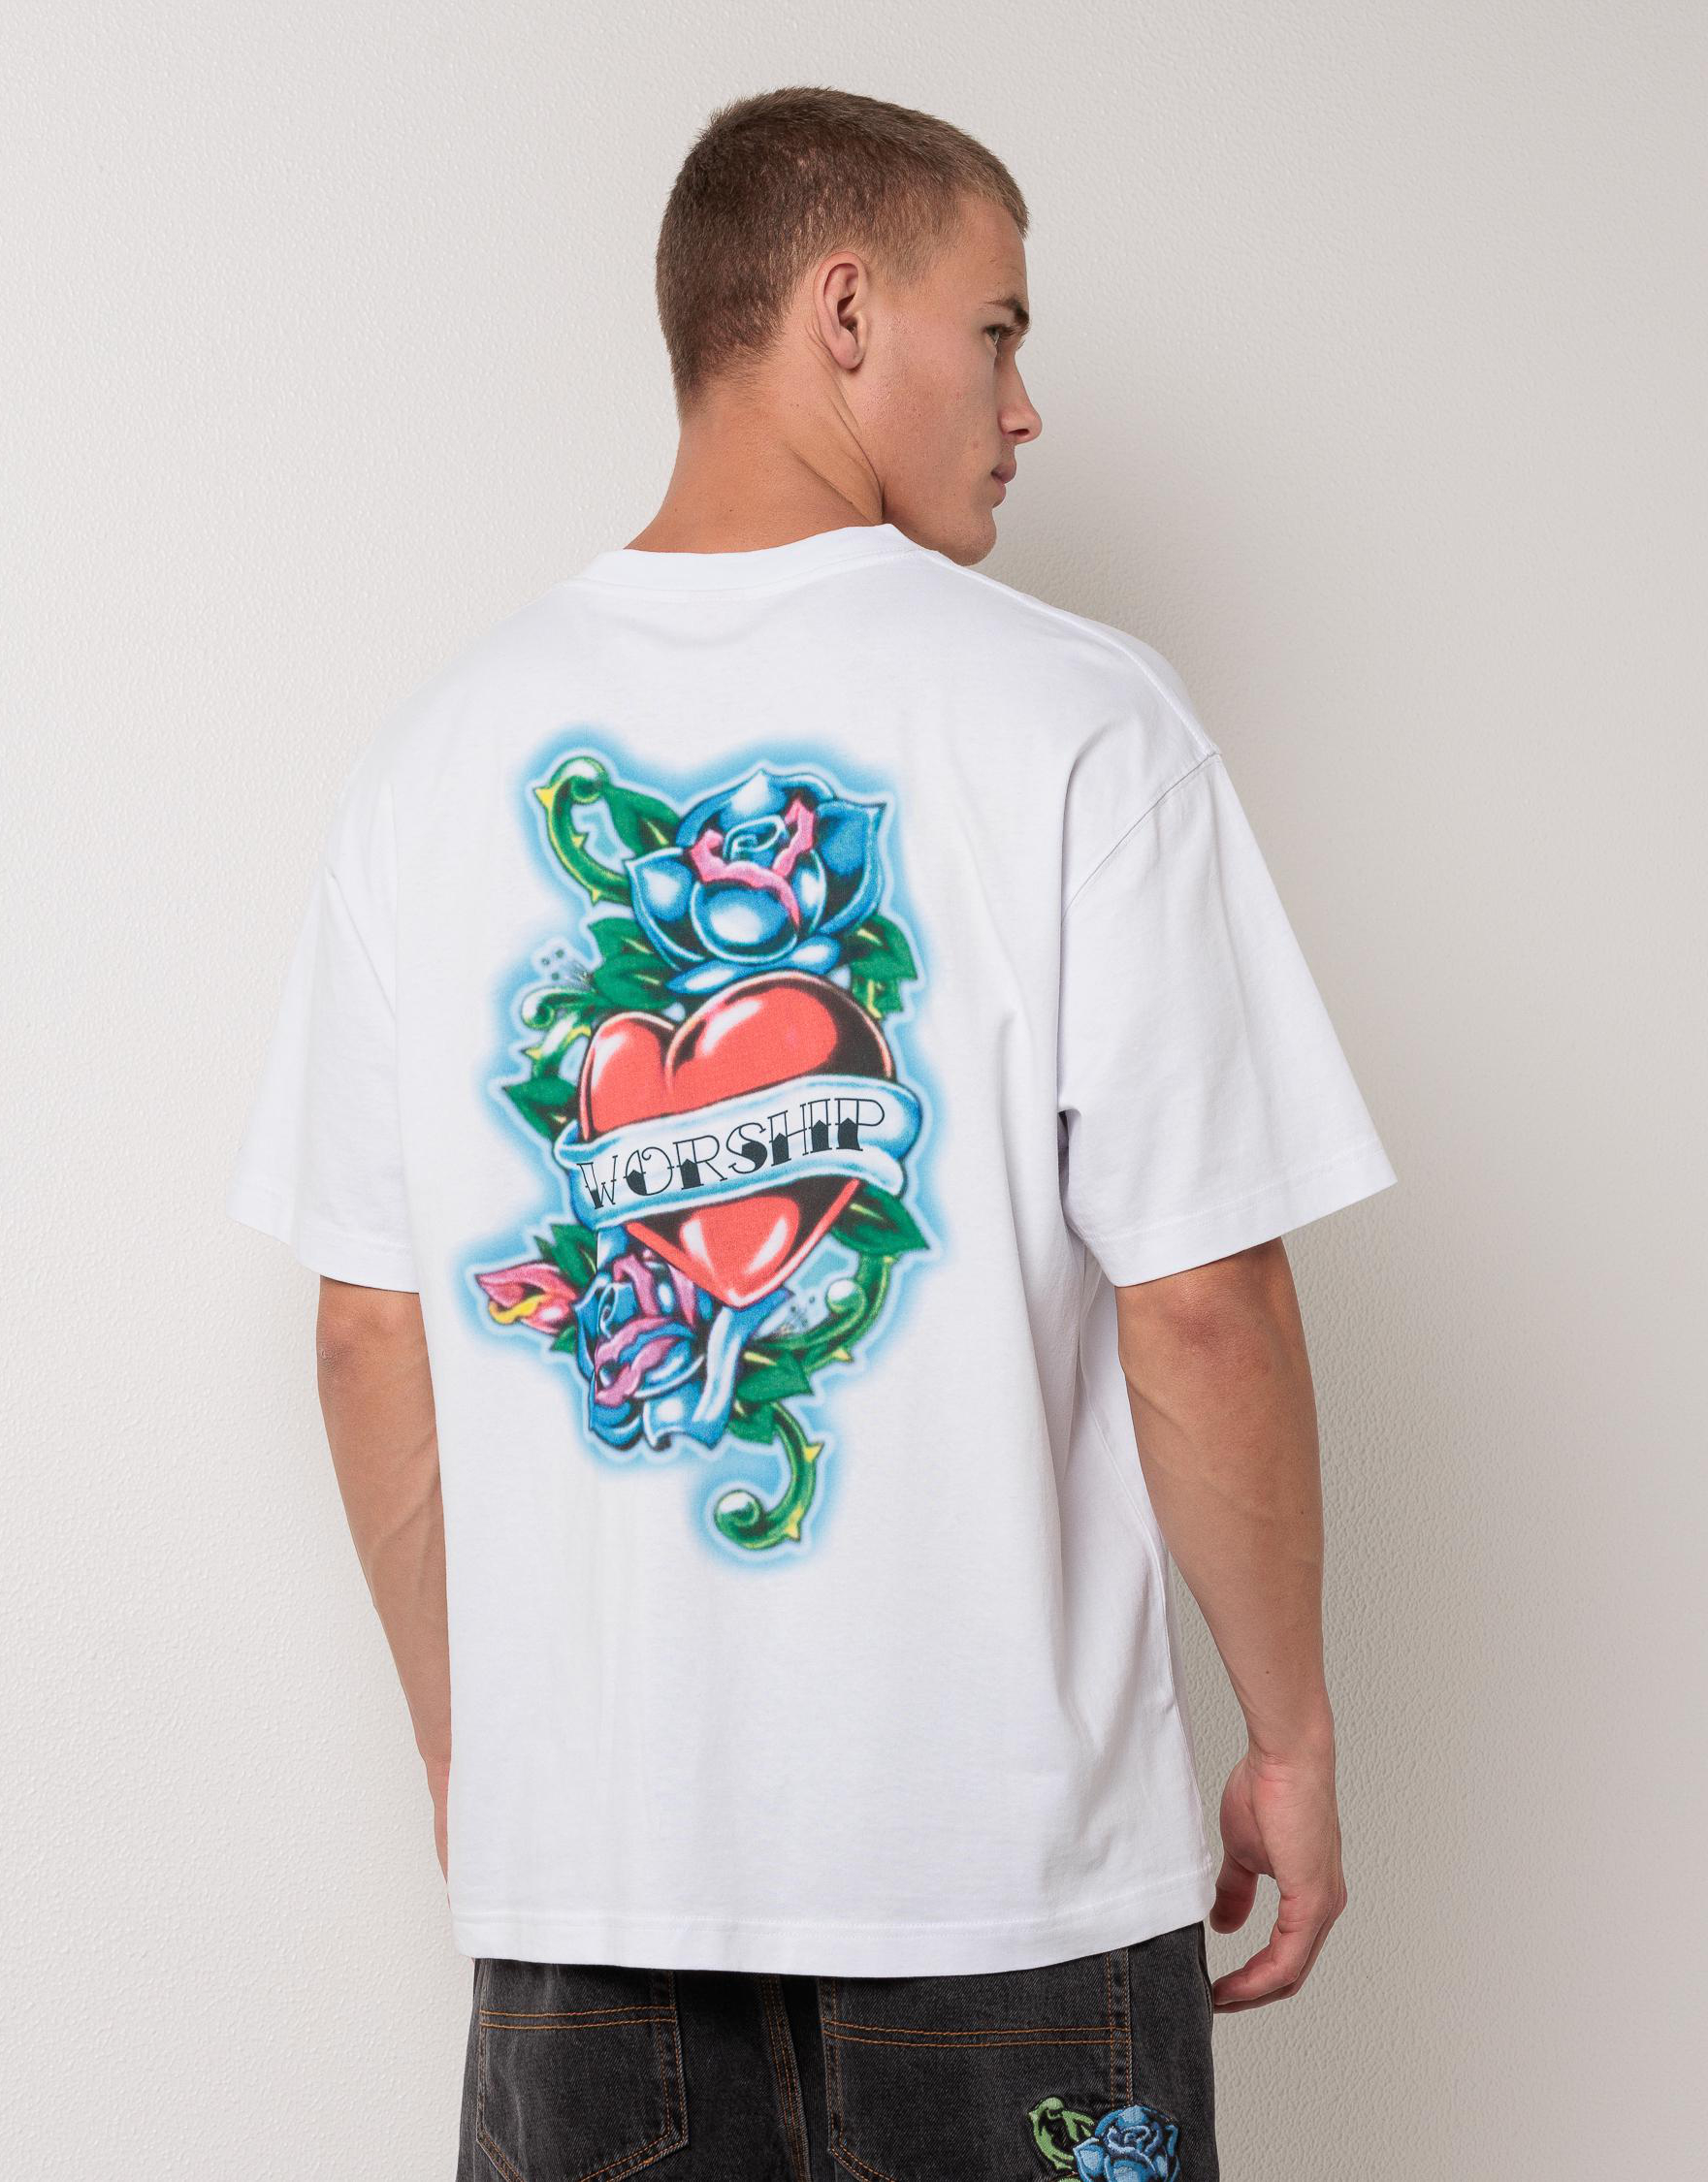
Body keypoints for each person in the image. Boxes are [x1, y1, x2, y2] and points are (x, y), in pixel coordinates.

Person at [227, 84, 1394, 2182]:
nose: (1025, 410)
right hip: (1010, 1896)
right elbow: (1202, 1294)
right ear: (843, 311)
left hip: (591, 1910)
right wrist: (1289, 1734)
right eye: (999, 328)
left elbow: (366, 1333)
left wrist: (477, 1759)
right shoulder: (1080, 720)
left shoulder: (428, 763)